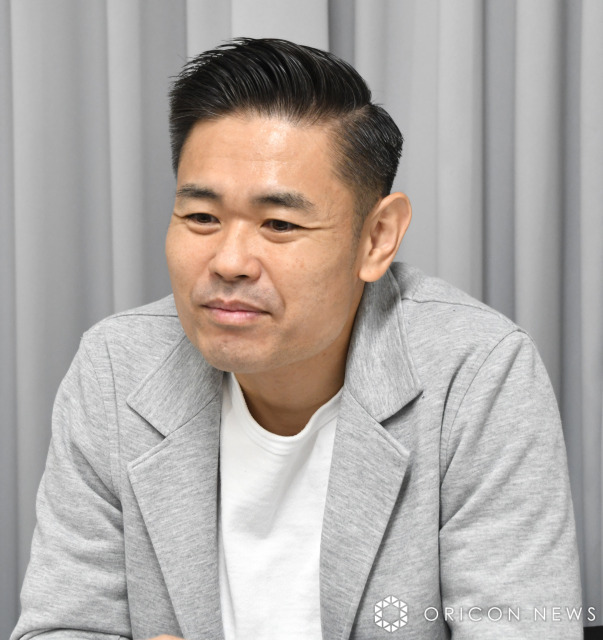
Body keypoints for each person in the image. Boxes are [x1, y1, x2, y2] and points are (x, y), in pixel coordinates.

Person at [11, 37, 582, 640]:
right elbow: (63, 624)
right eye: (201, 217)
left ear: (377, 238)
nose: (229, 261)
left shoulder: (476, 373)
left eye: (279, 224)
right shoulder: (115, 367)